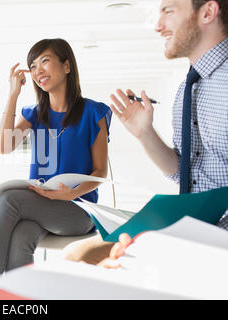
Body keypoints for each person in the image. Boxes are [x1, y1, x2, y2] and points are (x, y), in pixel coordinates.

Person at [64, 0, 228, 265]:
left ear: (207, 12)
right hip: (192, 225)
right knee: (76, 255)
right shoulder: (189, 86)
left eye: (169, 11)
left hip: (215, 239)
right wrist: (144, 133)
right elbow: (183, 171)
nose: (158, 26)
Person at [0, 38, 112, 285]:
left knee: (8, 201)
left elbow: (100, 171)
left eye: (45, 61)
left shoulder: (94, 113)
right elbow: (4, 146)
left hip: (78, 210)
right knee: (21, 235)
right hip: (41, 205)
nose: (38, 71)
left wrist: (71, 194)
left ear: (67, 66)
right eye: (34, 66)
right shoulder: (35, 114)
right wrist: (13, 94)